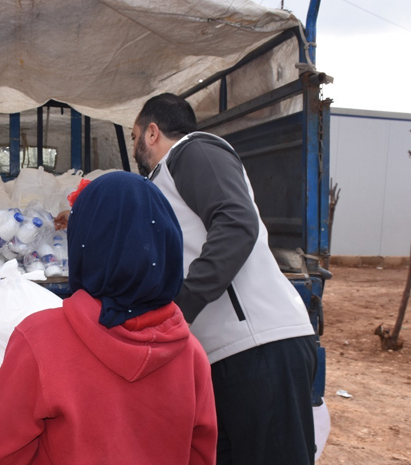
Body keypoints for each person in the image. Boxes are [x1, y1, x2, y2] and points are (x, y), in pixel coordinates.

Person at [0, 171, 217, 465]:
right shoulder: (191, 354)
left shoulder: (39, 341)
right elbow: (200, 455)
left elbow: (0, 449)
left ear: (83, 241)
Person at [132, 93, 318, 465]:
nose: (134, 146)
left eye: (133, 134)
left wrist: (180, 309)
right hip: (227, 355)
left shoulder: (194, 151)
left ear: (152, 133)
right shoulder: (165, 181)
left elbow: (236, 224)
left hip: (258, 347)